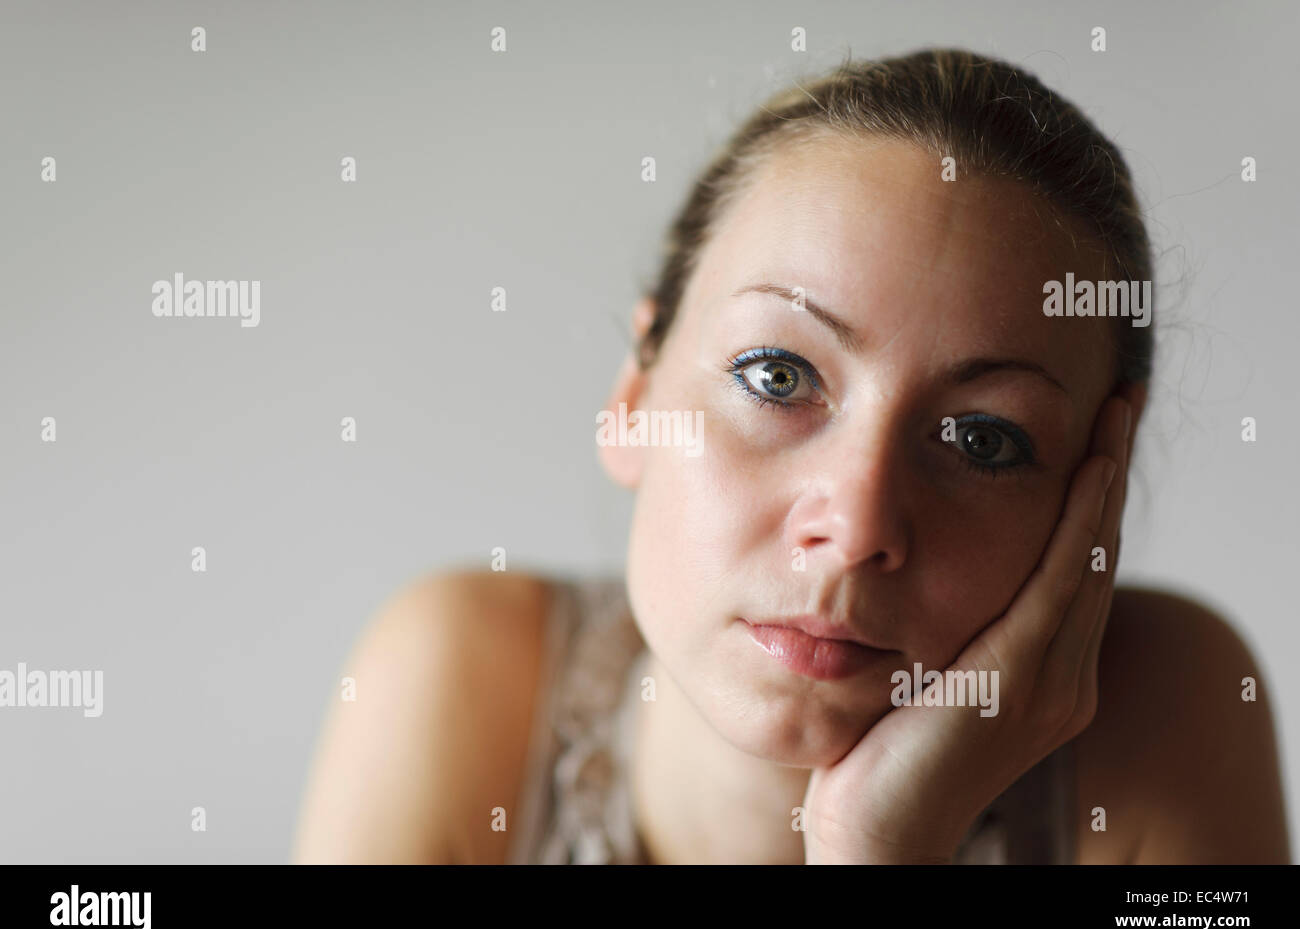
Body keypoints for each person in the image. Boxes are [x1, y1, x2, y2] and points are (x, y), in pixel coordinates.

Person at [291, 48, 1290, 864]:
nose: (856, 528)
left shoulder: (1169, 715)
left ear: (1089, 500)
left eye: (983, 439)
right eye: (776, 376)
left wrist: (876, 851)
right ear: (634, 396)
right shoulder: (464, 682)